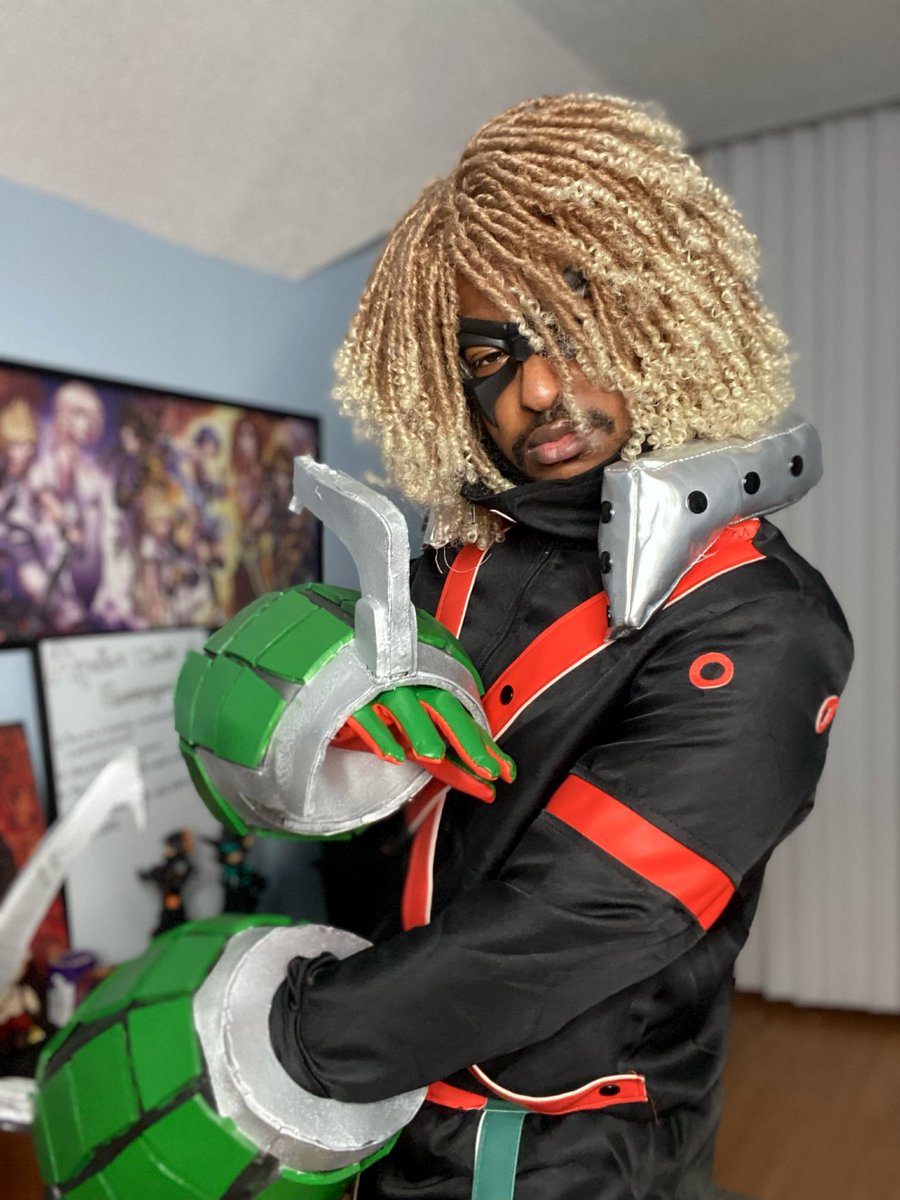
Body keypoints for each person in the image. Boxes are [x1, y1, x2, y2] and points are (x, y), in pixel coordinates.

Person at [263, 94, 852, 1199]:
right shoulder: (452, 566)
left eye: (566, 330)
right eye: (490, 356)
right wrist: (296, 720)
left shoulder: (764, 621)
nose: (535, 388)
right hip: (379, 1116)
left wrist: (273, 1041)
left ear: (663, 312)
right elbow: (301, 758)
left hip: (559, 1154)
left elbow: (580, 920)